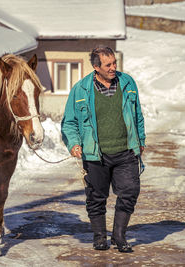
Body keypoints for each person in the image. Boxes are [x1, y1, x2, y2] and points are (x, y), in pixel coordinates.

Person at [61, 45, 146, 253]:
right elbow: (69, 122)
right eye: (108, 64)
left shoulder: (128, 83)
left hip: (125, 151)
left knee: (130, 191)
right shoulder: (80, 89)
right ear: (96, 67)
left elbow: (137, 116)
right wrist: (73, 143)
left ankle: (119, 236)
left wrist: (141, 140)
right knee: (96, 197)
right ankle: (100, 237)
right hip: (95, 154)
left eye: (114, 63)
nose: (113, 67)